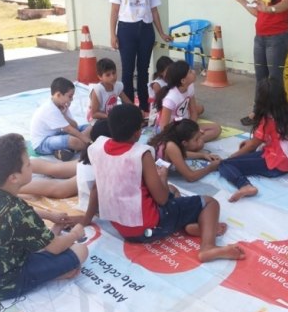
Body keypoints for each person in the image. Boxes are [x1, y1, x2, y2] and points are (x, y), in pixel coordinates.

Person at [84, 104, 245, 263]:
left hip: (121, 227)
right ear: (138, 131)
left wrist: (86, 219)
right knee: (209, 203)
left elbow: (97, 189)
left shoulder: (97, 147)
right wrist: (162, 177)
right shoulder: (141, 154)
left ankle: (193, 225)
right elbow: (161, 199)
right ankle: (208, 247)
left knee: (173, 191)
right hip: (148, 229)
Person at [0, 133, 88, 301]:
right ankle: (47, 276)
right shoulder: (16, 210)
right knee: (80, 250)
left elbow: (22, 217)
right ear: (13, 178)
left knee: (45, 238)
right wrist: (76, 234)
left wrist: (50, 215)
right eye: (28, 164)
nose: (31, 166)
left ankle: (48, 265)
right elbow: (55, 248)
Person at [233, 0, 288, 126]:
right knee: (261, 78)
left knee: (274, 79)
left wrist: (268, 8)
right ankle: (258, 112)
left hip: (277, 38)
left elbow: (285, 4)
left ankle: (279, 116)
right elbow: (259, 13)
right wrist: (242, 0)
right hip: (260, 37)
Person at [219, 77, 288, 202]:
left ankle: (245, 186)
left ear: (261, 100)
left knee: (225, 165)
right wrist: (252, 143)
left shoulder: (268, 119)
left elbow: (252, 146)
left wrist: (230, 157)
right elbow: (277, 138)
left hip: (276, 165)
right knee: (249, 152)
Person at [109, 0, 172, 119]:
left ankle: (144, 106)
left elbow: (154, 11)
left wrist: (161, 33)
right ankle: (128, 108)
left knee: (143, 70)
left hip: (145, 30)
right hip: (126, 30)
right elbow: (114, 11)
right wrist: (113, 35)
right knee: (128, 71)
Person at [156, 60, 221, 142]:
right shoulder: (171, 99)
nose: (193, 72)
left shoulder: (190, 87)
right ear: (183, 80)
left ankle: (191, 142)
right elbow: (163, 127)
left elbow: (193, 111)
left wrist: (192, 131)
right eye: (190, 72)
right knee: (198, 144)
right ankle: (188, 144)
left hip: (185, 126)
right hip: (172, 130)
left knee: (216, 129)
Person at [30, 77, 92, 161]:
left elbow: (74, 126)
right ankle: (85, 146)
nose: (72, 99)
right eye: (70, 96)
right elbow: (69, 129)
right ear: (58, 95)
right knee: (73, 141)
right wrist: (88, 141)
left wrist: (64, 115)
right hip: (42, 143)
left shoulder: (61, 105)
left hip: (56, 134)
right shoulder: (50, 109)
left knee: (90, 127)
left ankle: (68, 149)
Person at [148, 119, 221, 182]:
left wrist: (203, 155)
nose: (200, 141)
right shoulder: (171, 146)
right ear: (184, 143)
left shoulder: (171, 139)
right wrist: (210, 167)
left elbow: (180, 154)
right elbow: (190, 177)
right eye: (196, 139)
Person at [87, 58, 132, 122]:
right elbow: (94, 114)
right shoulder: (97, 90)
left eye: (114, 73)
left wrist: (136, 110)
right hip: (98, 120)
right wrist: (110, 116)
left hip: (111, 117)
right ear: (100, 77)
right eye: (108, 75)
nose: (112, 77)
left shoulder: (117, 86)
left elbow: (127, 101)